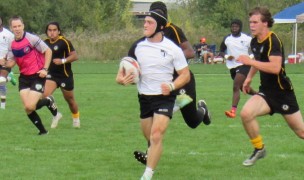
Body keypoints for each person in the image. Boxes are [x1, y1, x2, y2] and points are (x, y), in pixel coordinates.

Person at [133, 0, 211, 166]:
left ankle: (203, 110)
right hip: (162, 87)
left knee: (192, 121)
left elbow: (190, 52)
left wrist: (168, 54)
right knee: (155, 123)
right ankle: (150, 156)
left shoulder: (173, 30)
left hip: (183, 84)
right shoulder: (149, 35)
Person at [116, 9, 190, 180]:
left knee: (156, 135)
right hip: (144, 97)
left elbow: (185, 75)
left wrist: (171, 86)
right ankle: (152, 155)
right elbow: (123, 70)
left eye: (150, 22)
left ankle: (147, 175)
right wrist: (121, 79)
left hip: (164, 97)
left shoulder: (172, 48)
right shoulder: (138, 46)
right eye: (145, 22)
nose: (145, 25)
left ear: (160, 26)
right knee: (150, 137)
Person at [237, 7, 304, 167]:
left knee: (301, 132)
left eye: (255, 22)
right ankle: (259, 148)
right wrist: (248, 78)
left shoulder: (273, 40)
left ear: (265, 23)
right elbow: (259, 60)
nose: (251, 25)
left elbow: (275, 68)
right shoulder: (255, 41)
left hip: (283, 93)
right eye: (250, 22)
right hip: (266, 92)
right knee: (246, 113)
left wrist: (250, 61)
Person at [0, 16, 58, 135]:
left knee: (30, 105)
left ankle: (48, 101)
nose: (17, 29)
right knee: (28, 108)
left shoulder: (31, 38)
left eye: (19, 26)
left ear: (23, 26)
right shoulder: (12, 44)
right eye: (14, 27)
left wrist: (45, 69)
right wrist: (4, 62)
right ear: (11, 28)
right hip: (24, 77)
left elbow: (48, 51)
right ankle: (43, 132)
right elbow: (12, 62)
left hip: (37, 75)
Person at [44, 22, 80, 128]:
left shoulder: (64, 42)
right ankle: (56, 114)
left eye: (54, 30)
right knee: (45, 95)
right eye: (50, 30)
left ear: (58, 31)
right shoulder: (44, 43)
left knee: (70, 100)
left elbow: (75, 56)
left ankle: (76, 118)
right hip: (51, 75)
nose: (52, 32)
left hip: (65, 76)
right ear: (47, 32)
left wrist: (62, 61)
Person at [219, 19, 256, 118]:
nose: (234, 28)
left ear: (240, 28)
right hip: (232, 66)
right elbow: (221, 50)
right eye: (232, 26)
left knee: (236, 86)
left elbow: (255, 51)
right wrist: (227, 57)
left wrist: (249, 58)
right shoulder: (227, 38)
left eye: (236, 26)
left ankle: (233, 111)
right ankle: (259, 96)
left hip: (244, 65)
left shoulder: (247, 38)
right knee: (242, 87)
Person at [0, 16, 17, 109]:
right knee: (1, 84)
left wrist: (7, 59)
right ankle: (3, 108)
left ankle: (2, 107)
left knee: (1, 80)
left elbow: (12, 49)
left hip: (5, 62)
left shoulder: (9, 34)